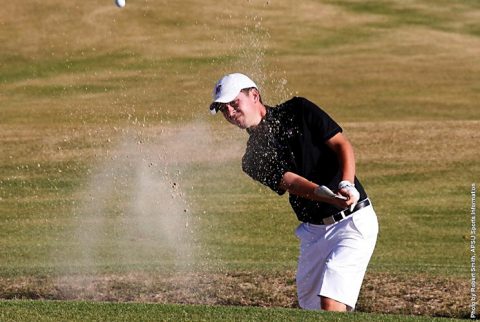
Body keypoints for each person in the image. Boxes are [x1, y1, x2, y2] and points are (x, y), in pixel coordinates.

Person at [209, 73, 378, 312]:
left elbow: (342, 144)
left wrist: (347, 184)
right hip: (313, 233)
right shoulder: (252, 159)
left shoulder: (299, 110)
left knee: (330, 302)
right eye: (223, 109)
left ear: (254, 95)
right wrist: (325, 195)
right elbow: (292, 182)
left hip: (351, 222)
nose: (229, 111)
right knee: (311, 309)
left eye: (234, 103)